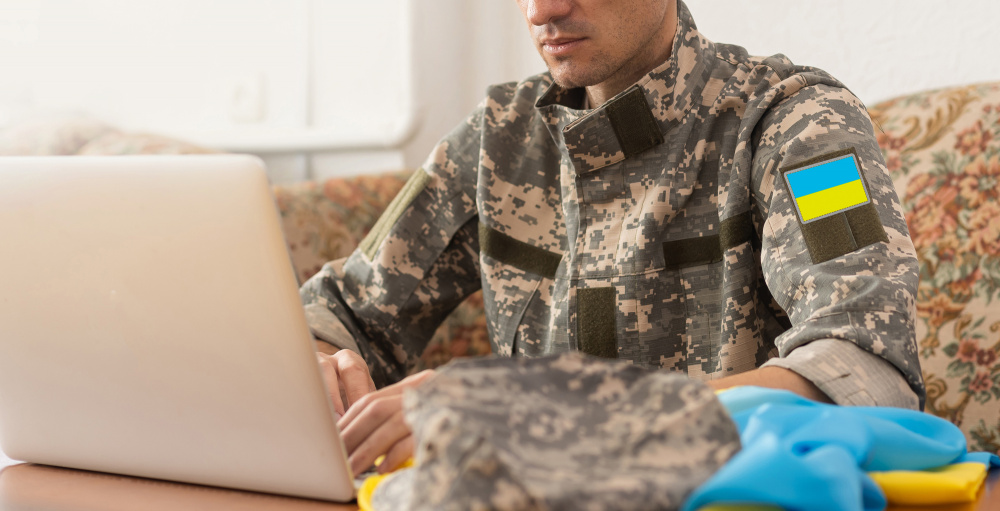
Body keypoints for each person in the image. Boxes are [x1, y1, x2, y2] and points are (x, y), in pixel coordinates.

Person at [300, 0, 924, 477]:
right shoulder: (497, 139)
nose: (541, 10)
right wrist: (320, 370)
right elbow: (339, 314)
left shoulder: (799, 123)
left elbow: (864, 368)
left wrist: (541, 414)